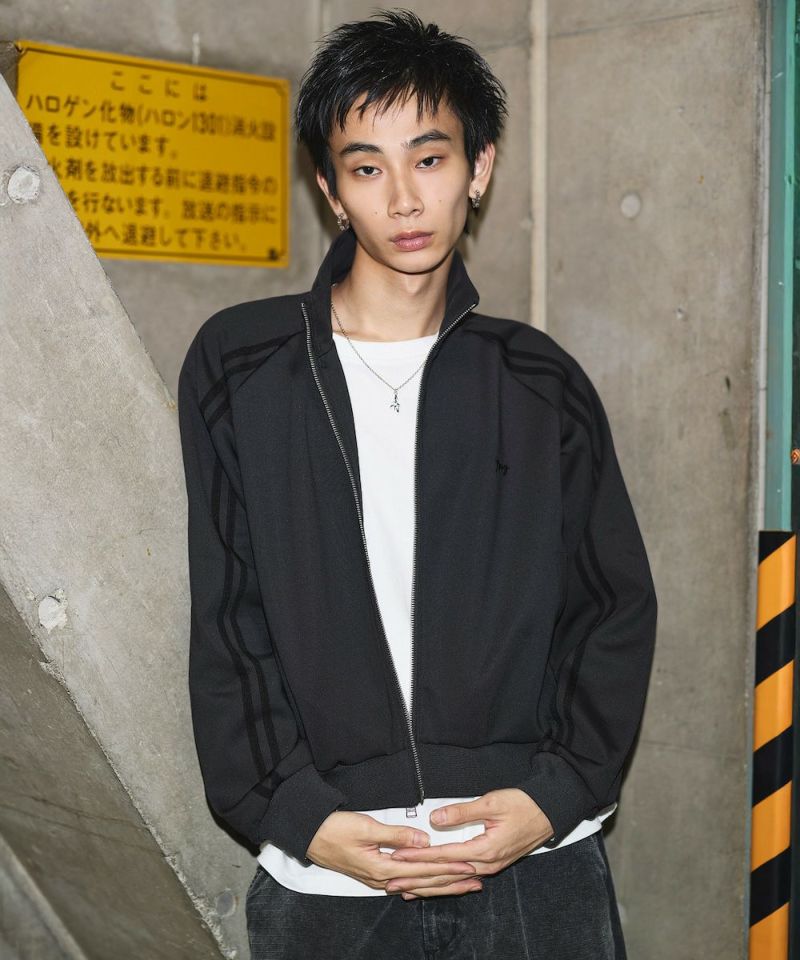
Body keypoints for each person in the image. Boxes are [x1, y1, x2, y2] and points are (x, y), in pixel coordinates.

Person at [177, 9, 658, 959]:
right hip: (331, 875)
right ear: (330, 189)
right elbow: (229, 613)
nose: (403, 198)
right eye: (366, 169)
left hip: (535, 865)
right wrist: (299, 814)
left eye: (429, 159)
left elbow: (609, 606)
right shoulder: (244, 365)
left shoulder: (539, 381)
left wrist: (553, 797)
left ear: (478, 169)